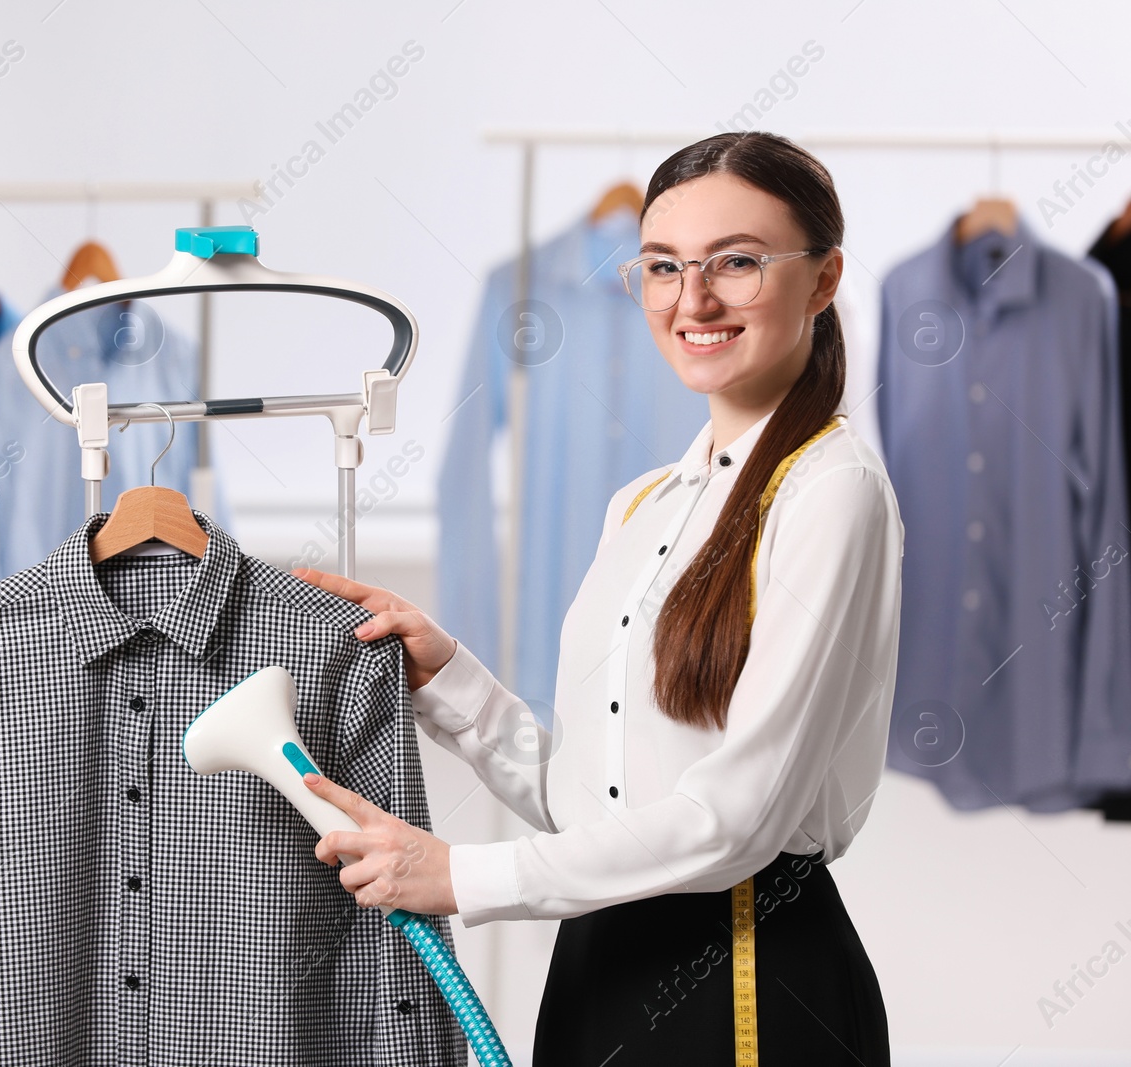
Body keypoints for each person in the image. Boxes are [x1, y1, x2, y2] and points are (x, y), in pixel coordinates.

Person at [293, 130, 901, 1064]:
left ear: (823, 280)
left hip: (746, 975)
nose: (691, 299)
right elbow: (594, 805)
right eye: (663, 267)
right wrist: (450, 677)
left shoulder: (832, 489)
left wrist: (460, 873)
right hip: (595, 971)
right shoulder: (643, 503)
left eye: (736, 262)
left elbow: (734, 821)